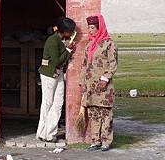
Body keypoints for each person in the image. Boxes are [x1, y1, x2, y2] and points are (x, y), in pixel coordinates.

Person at [79, 14, 118, 151]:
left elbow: (113, 64)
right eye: (88, 28)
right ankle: (95, 141)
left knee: (105, 113)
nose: (90, 30)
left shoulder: (109, 44)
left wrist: (105, 78)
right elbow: (84, 65)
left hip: (104, 87)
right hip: (91, 86)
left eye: (92, 27)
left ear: (99, 27)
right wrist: (82, 81)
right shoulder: (89, 45)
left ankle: (106, 141)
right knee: (94, 113)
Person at [36, 17, 76, 142]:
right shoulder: (53, 41)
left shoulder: (60, 39)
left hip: (57, 75)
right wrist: (69, 50)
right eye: (71, 31)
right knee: (47, 103)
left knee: (58, 103)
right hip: (49, 75)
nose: (72, 33)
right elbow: (57, 61)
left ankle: (49, 133)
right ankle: (43, 133)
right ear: (65, 31)